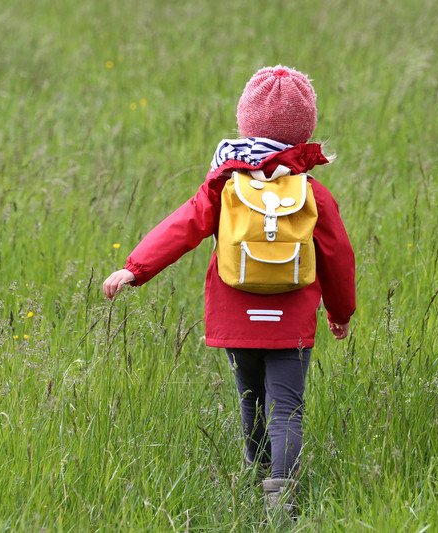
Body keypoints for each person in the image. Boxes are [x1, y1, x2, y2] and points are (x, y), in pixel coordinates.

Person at [103, 65, 356, 515]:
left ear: (245, 121)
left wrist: (134, 269)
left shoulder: (223, 185)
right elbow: (337, 258)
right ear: (306, 128)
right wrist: (341, 312)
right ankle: (281, 495)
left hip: (235, 316)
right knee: (288, 408)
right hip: (292, 320)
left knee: (250, 397)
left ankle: (254, 473)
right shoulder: (312, 192)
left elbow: (182, 226)